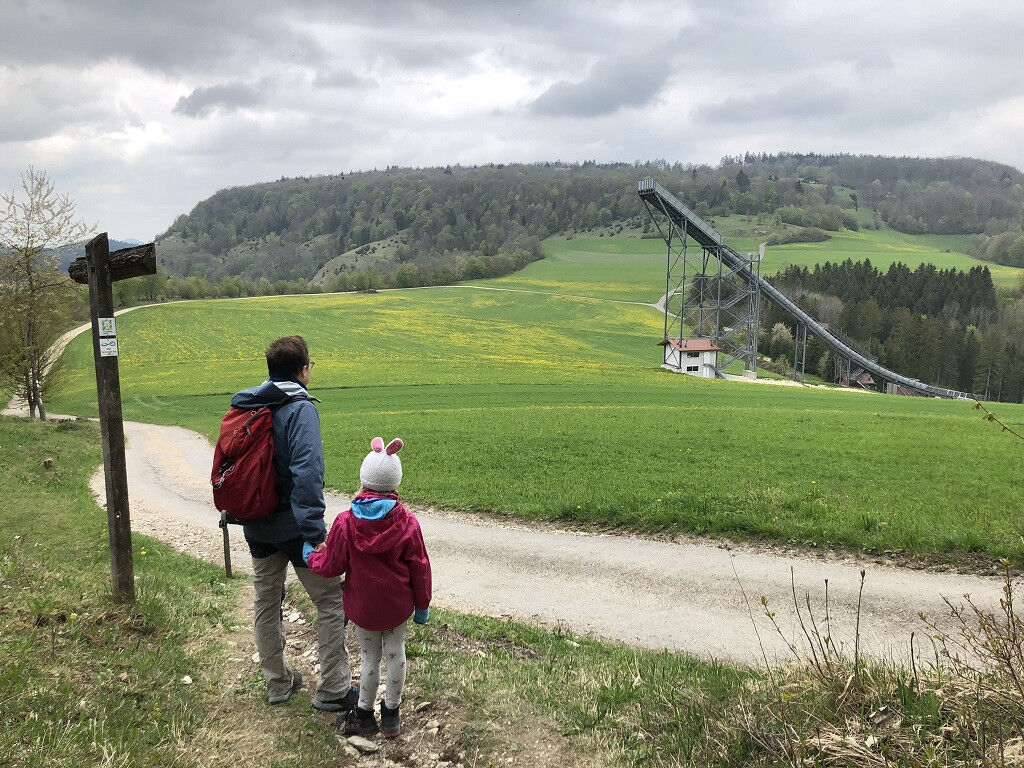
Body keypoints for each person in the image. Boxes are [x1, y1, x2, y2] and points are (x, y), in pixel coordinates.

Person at [230, 335, 357, 711]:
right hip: (295, 528)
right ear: (304, 370)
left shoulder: (250, 404)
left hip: (256, 523)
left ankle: (277, 682)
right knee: (331, 600)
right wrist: (315, 533)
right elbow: (307, 472)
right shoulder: (299, 409)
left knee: (266, 600)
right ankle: (333, 688)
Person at [304, 436, 432, 738]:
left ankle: (363, 714)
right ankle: (392, 714)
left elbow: (331, 565)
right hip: (397, 605)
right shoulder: (408, 523)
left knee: (369, 657)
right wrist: (422, 606)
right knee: (396, 653)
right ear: (395, 481)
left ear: (364, 480)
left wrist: (310, 555)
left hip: (363, 606)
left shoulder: (345, 522)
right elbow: (421, 567)